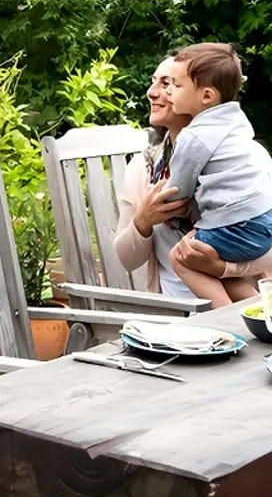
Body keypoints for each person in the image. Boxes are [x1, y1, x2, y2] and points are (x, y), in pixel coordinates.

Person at [115, 52, 271, 301]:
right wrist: (142, 221)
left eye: (169, 83)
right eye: (154, 82)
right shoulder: (144, 168)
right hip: (178, 307)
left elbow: (264, 237)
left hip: (238, 303)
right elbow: (126, 261)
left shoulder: (248, 160)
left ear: (205, 96)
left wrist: (223, 268)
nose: (152, 93)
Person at [164, 43, 272, 306]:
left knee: (182, 257)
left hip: (236, 225)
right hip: (263, 222)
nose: (168, 90)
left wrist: (163, 201)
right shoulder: (237, 121)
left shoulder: (194, 136)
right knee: (214, 267)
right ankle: (263, 313)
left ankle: (226, 320)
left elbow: (178, 191)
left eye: (176, 85)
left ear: (207, 96)